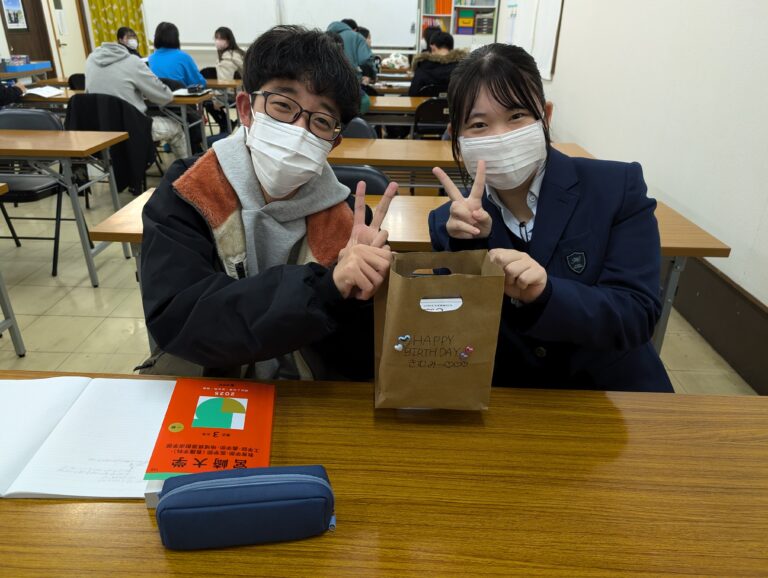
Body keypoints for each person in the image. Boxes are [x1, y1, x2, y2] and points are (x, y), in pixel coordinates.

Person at [140, 25, 396, 380]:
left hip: (306, 395)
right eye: (283, 106)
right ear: (247, 109)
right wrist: (322, 289)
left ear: (332, 143)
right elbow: (181, 317)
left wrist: (362, 299)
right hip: (211, 388)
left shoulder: (348, 221)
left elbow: (358, 359)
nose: (299, 130)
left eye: (322, 121)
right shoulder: (189, 190)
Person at [428, 43, 673, 393]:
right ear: (457, 135)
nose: (501, 137)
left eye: (516, 116)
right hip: (512, 398)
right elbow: (460, 332)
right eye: (479, 124)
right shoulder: (448, 224)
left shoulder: (616, 187)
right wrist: (470, 247)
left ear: (545, 115)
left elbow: (637, 316)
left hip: (613, 395)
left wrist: (548, 293)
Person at [84, 39, 188, 159]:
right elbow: (165, 96)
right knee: (176, 128)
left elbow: (88, 93)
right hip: (132, 129)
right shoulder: (132, 61)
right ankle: (186, 168)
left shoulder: (90, 60)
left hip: (101, 130)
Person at [148, 22, 207, 88]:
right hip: (180, 94)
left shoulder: (150, 59)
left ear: (156, 37)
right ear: (176, 38)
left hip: (158, 94)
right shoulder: (184, 57)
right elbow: (199, 83)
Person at [408, 32, 464, 96]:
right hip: (454, 102)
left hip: (426, 102)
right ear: (451, 47)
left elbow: (413, 93)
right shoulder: (462, 68)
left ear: (432, 47)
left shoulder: (423, 67)